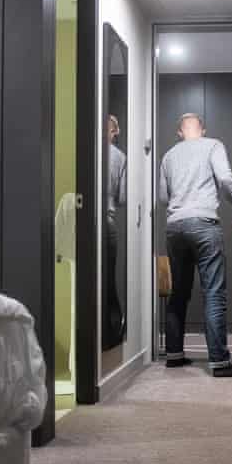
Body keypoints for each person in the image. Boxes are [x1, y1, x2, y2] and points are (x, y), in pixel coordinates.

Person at [159, 113, 232, 377]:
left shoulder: (168, 156)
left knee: (179, 292)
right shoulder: (212, 145)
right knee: (213, 292)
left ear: (180, 132)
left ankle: (174, 355)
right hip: (203, 222)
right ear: (203, 129)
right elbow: (225, 178)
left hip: (175, 226)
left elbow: (164, 197)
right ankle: (219, 362)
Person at [106, 115, 127, 348]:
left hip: (82, 220)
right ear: (114, 132)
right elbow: (122, 198)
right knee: (108, 279)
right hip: (107, 220)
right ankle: (112, 335)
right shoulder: (120, 157)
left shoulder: (85, 149)